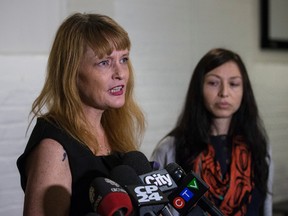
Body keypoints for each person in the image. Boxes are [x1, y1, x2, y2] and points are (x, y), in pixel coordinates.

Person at [17, 12, 145, 216]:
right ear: (72, 71)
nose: (120, 73)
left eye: (124, 59)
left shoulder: (114, 130)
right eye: (104, 62)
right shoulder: (54, 149)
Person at [151, 48, 273, 216]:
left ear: (244, 90)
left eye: (234, 84)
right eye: (213, 83)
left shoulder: (258, 145)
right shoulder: (170, 148)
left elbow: (265, 206)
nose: (224, 93)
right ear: (198, 88)